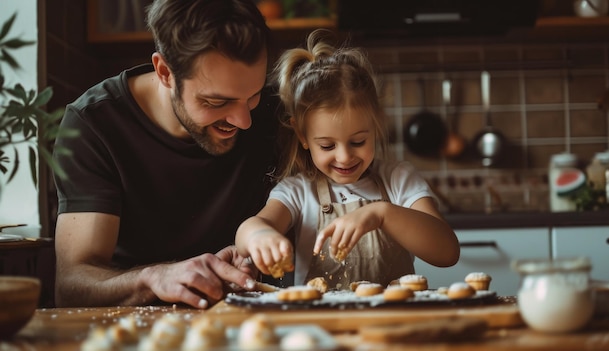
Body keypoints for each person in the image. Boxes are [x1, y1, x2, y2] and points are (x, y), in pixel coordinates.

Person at [52, 0, 281, 308]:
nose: (244, 121)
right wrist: (154, 278)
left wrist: (255, 250)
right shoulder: (94, 125)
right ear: (164, 72)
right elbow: (70, 286)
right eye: (216, 102)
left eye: (252, 95)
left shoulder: (272, 113)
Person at [235, 29, 460, 289]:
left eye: (358, 142)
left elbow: (447, 252)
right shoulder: (297, 192)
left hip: (393, 320)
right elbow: (250, 229)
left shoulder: (398, 180)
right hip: (323, 325)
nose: (344, 156)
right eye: (327, 145)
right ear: (302, 135)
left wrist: (381, 213)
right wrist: (260, 235)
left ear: (375, 127)